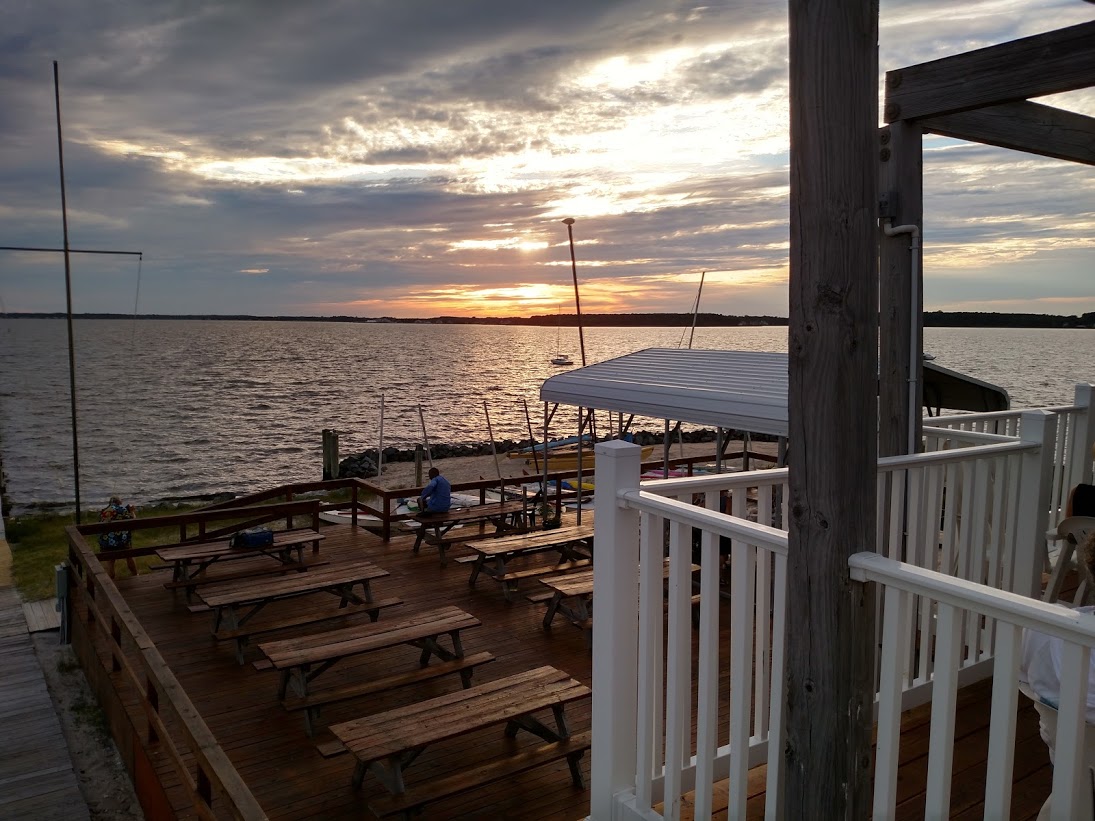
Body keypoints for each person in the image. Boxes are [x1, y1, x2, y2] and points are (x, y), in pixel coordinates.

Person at [98, 495, 138, 579]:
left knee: (110, 561)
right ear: (119, 502)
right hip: (122, 541)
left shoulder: (104, 511)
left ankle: (111, 580)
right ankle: (135, 575)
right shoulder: (122, 510)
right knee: (129, 556)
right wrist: (132, 511)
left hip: (107, 542)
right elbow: (133, 521)